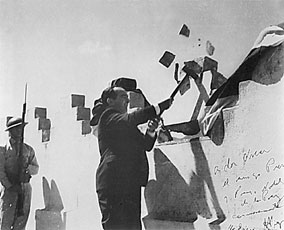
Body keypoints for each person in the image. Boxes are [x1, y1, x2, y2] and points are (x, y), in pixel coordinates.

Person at [93, 86, 173, 230]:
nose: (127, 100)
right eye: (123, 97)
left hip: (129, 182)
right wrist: (158, 107)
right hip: (113, 183)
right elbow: (133, 118)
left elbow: (145, 145)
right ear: (110, 101)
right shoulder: (108, 116)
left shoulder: (124, 124)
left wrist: (150, 131)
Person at [0, 117, 39, 230]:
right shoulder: (3, 149)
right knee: (6, 221)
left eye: (21, 129)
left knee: (21, 222)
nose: (19, 131)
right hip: (9, 189)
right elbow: (1, 172)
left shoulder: (28, 149)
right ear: (10, 131)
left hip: (25, 188)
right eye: (16, 129)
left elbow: (36, 168)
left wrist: (27, 171)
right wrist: (10, 186)